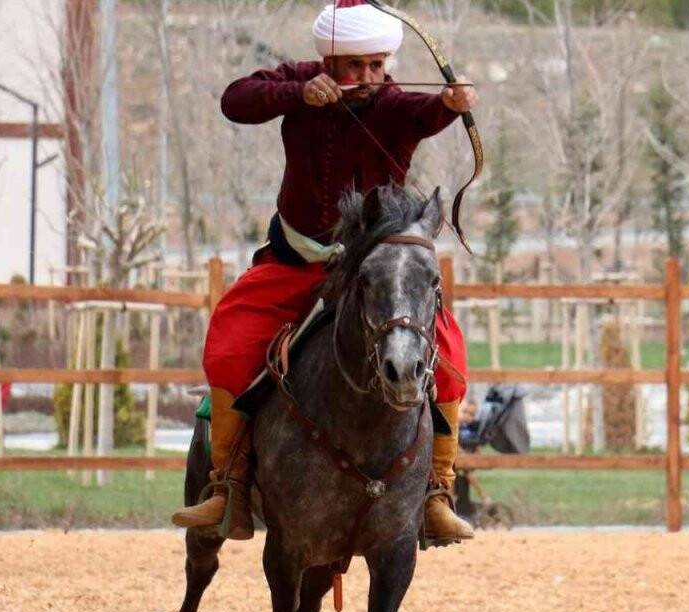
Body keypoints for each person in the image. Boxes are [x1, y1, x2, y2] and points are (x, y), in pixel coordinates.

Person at [170, 0, 478, 544]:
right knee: (229, 340)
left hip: (371, 273)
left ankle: (435, 491)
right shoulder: (297, 82)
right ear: (329, 60)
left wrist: (454, 104)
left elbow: (425, 113)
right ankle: (229, 487)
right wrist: (299, 93)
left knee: (448, 357)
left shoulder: (394, 103)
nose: (367, 78)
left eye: (377, 65)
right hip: (295, 262)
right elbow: (235, 101)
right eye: (354, 66)